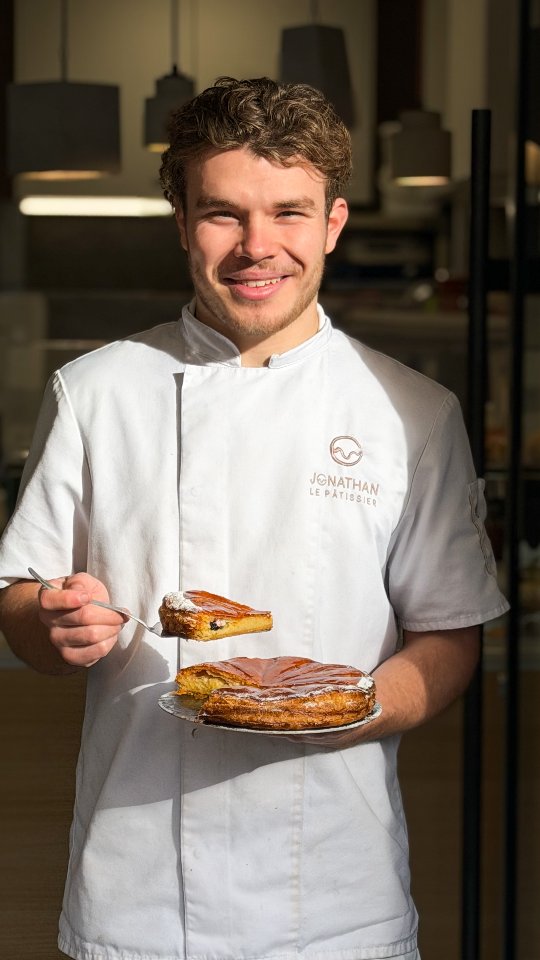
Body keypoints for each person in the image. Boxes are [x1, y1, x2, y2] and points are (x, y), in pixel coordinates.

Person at [0, 77, 508, 960]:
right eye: (223, 213)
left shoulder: (413, 412)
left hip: (337, 902)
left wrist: (331, 709)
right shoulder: (93, 393)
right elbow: (23, 601)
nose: (258, 246)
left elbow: (450, 634)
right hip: (136, 895)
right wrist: (52, 626)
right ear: (180, 219)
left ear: (334, 223)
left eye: (289, 212)